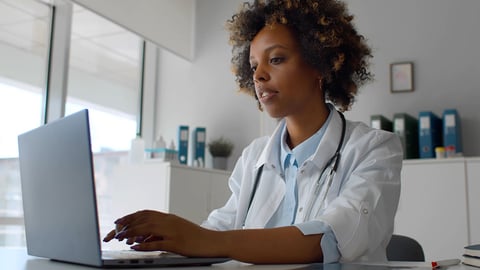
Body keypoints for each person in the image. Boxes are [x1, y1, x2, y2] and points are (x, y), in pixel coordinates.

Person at [104, 0, 403, 264]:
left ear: (319, 64)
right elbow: (220, 228)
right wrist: (162, 245)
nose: (258, 76)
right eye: (253, 65)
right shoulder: (254, 157)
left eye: (275, 59)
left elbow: (332, 238)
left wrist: (201, 240)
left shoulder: (374, 148)